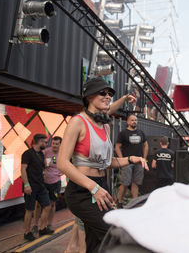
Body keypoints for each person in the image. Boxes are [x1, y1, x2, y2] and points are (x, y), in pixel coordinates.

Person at [57, 77, 148, 253]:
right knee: (114, 235)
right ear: (89, 96)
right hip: (82, 191)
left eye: (110, 94)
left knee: (96, 244)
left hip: (101, 186)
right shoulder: (78, 122)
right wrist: (93, 188)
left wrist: (131, 159)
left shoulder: (104, 126)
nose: (108, 96)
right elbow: (62, 162)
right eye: (103, 93)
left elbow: (108, 163)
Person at [21, 134, 54, 241]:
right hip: (30, 186)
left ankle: (42, 228)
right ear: (38, 142)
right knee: (29, 210)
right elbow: (23, 169)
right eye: (44, 142)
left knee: (47, 206)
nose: (46, 143)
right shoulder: (27, 154)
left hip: (40, 185)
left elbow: (42, 168)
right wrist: (26, 185)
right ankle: (27, 232)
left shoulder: (41, 154)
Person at [115, 114, 149, 207]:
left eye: (136, 120)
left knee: (136, 183)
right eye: (132, 120)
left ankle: (134, 203)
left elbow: (146, 145)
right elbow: (117, 147)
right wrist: (122, 160)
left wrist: (144, 159)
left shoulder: (141, 132)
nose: (134, 122)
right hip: (127, 162)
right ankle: (120, 202)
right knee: (125, 183)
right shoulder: (123, 133)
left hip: (138, 162)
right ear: (128, 122)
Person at [33, 136, 63, 233]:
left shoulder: (63, 153)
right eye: (53, 143)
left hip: (55, 182)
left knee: (52, 204)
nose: (54, 146)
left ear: (60, 145)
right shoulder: (46, 151)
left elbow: (68, 164)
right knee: (38, 204)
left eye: (56, 144)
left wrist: (63, 172)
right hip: (44, 181)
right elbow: (38, 162)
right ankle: (35, 225)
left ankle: (49, 225)